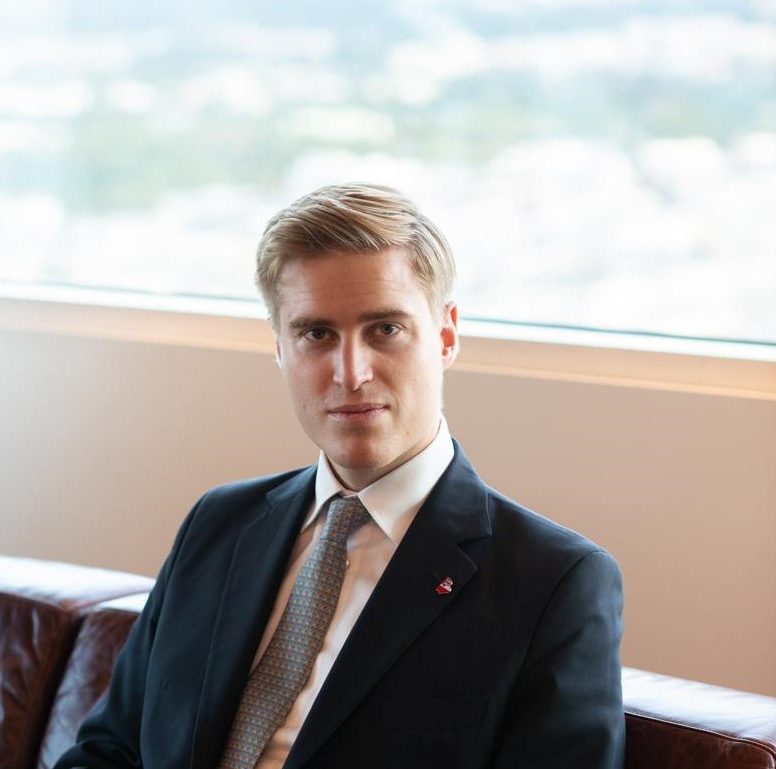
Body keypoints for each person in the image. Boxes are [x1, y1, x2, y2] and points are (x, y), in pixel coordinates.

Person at [55, 183, 624, 769]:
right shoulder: (218, 523)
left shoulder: (551, 580)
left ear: (447, 335)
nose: (350, 374)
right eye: (316, 334)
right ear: (279, 346)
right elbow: (110, 749)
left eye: (385, 329)